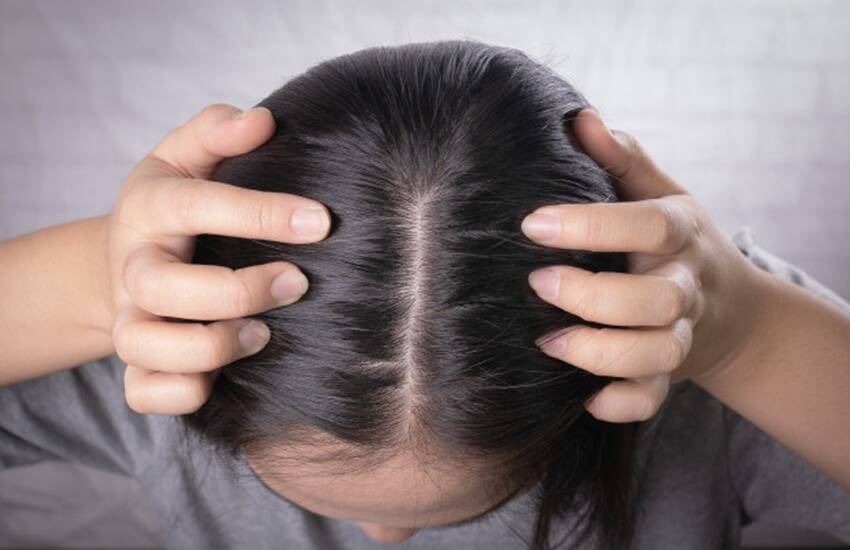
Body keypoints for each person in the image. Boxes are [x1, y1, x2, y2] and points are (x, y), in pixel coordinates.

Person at [1, 41, 848, 550]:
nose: (385, 537)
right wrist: (92, 278)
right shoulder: (166, 352)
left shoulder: (698, 353)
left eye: (482, 504)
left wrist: (754, 338)